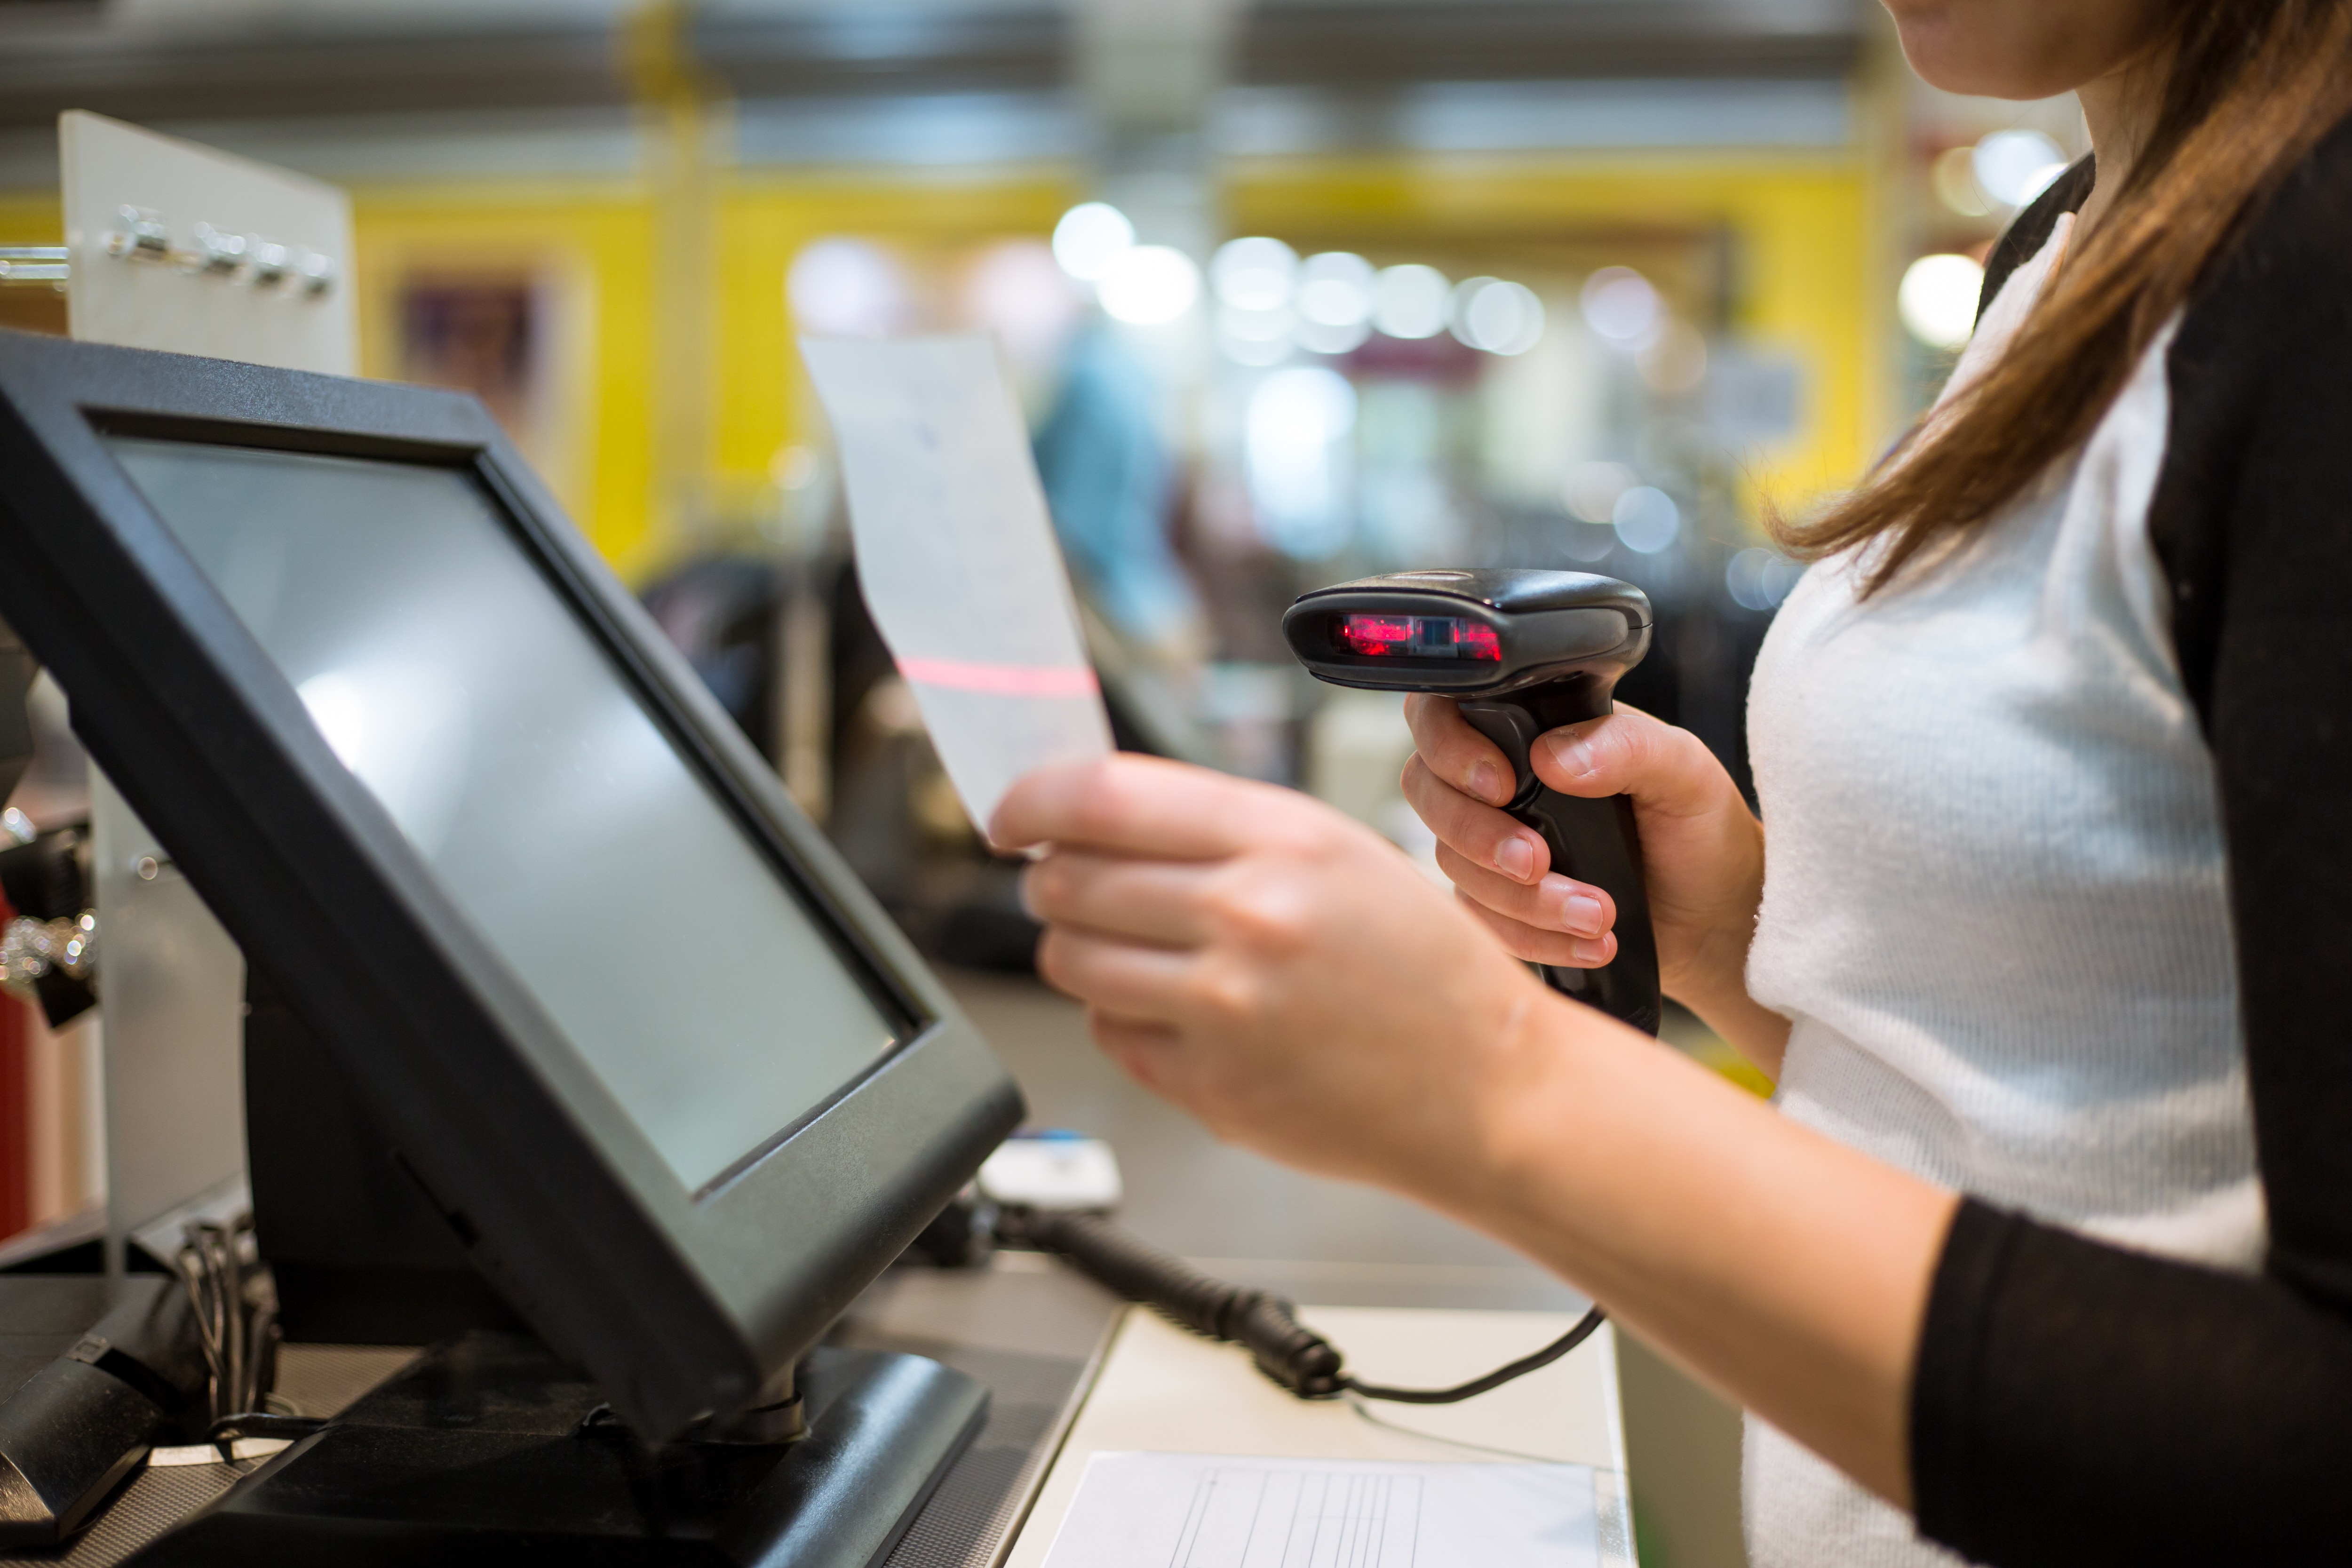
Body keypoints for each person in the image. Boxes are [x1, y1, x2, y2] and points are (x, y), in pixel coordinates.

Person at [991, 1, 2352, 1563]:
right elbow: (2077, 1105)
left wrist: (1494, 1088)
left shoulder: (2319, 268)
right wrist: (1742, 941)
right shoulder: (2066, 246)